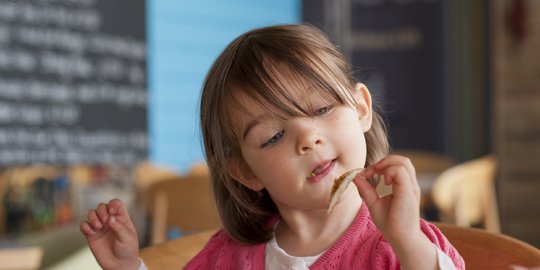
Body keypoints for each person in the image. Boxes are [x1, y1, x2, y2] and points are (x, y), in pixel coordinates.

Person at [80, 24, 465, 269]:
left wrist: (408, 243)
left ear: (361, 108)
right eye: (273, 137)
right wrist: (128, 267)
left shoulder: (401, 244)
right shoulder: (228, 257)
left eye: (321, 109)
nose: (308, 138)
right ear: (246, 172)